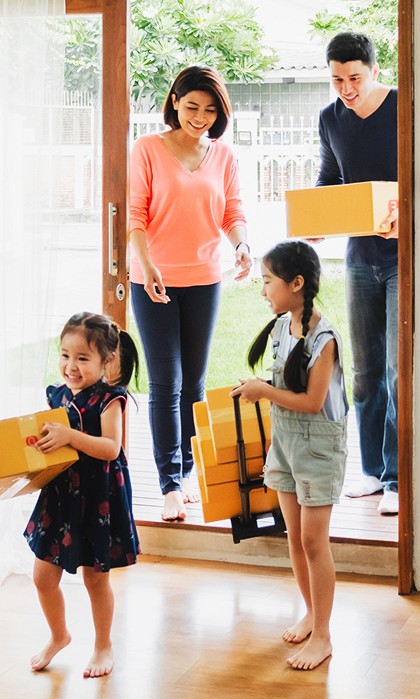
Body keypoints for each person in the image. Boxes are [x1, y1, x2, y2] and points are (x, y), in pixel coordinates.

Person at [128, 65, 252, 522]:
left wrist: (241, 245)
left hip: (204, 277)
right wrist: (149, 264)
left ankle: (188, 469)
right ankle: (169, 484)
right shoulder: (147, 149)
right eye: (192, 107)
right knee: (166, 382)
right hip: (154, 280)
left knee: (194, 383)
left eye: (210, 110)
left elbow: (232, 210)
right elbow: (135, 215)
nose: (200, 117)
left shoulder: (223, 156)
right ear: (175, 102)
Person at [233, 241, 348, 671]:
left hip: (319, 447)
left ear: (296, 284)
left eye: (268, 281)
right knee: (296, 538)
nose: (263, 290)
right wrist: (258, 386)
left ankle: (324, 636)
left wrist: (264, 391)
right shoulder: (283, 326)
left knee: (314, 542)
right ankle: (312, 614)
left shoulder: (325, 338)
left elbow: (314, 401)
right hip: (284, 443)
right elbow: (287, 385)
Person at [24, 312, 141, 678]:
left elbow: (111, 448)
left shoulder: (110, 400)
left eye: (82, 358)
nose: (70, 366)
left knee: (95, 578)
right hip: (61, 495)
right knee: (43, 576)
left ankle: (104, 645)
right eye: (64, 355)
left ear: (106, 361)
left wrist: (71, 436)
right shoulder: (56, 394)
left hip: (98, 498)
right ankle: (59, 635)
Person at [313, 32, 400, 516]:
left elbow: (418, 172)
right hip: (359, 259)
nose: (346, 88)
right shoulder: (331, 118)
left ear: (374, 69)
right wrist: (319, 219)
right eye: (337, 80)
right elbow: (330, 179)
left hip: (400, 257)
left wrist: (401, 214)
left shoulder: (400, 106)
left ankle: (395, 477)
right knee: (364, 373)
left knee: (394, 368)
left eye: (355, 78)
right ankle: (370, 472)